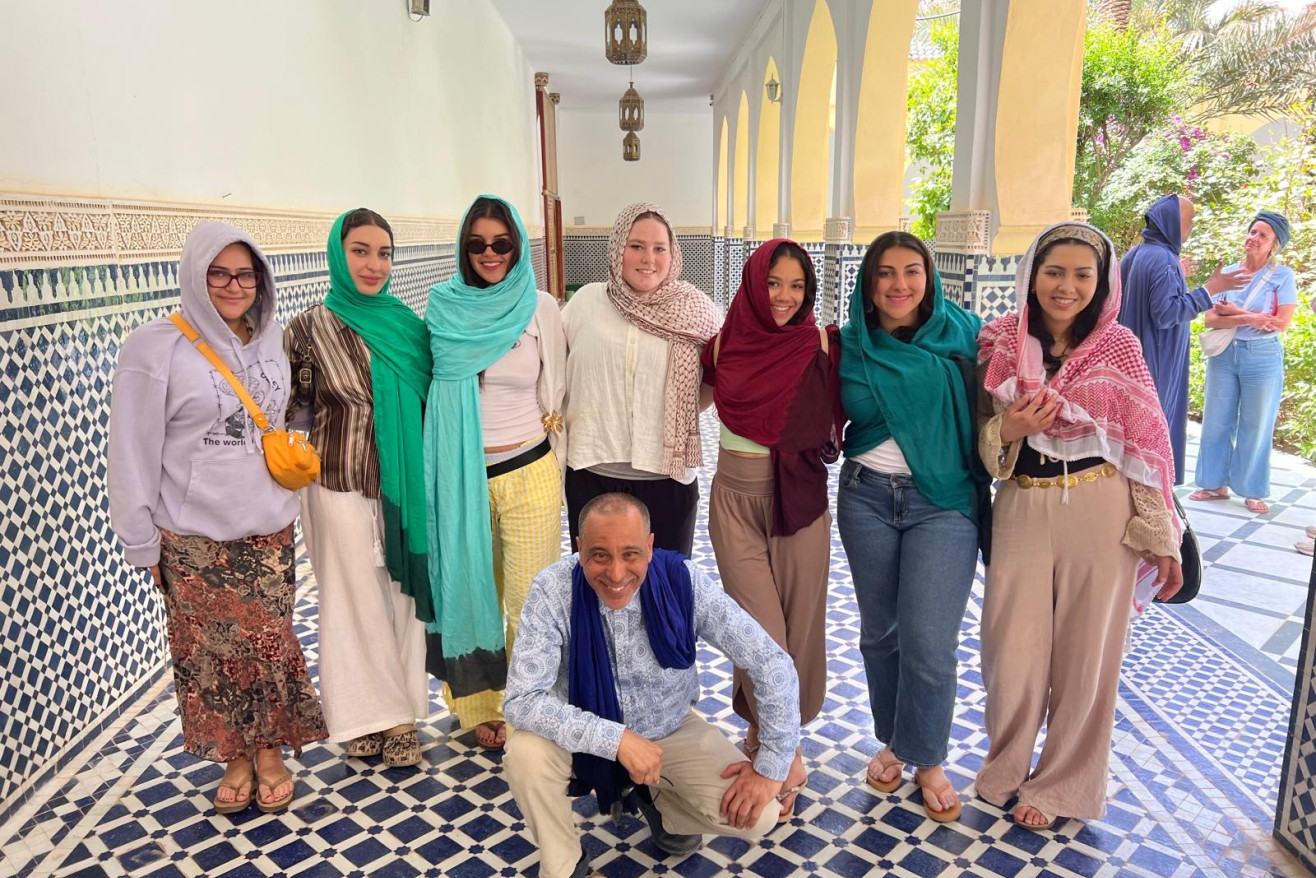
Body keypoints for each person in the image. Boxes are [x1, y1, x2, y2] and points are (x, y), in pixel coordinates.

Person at [108, 221, 327, 814]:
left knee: (268, 644)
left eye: (245, 274)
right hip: (192, 536)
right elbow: (130, 449)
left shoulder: (273, 340)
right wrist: (140, 541)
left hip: (269, 528)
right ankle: (235, 757)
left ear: (260, 280)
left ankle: (268, 751)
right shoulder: (154, 348)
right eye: (219, 273)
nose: (233, 285)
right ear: (194, 276)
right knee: (210, 653)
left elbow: (285, 415)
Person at [976, 222, 1183, 830]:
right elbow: (982, 446)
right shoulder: (999, 345)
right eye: (1053, 272)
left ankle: (1064, 784)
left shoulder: (1119, 347)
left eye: (1082, 274)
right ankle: (1006, 765)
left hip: (1102, 512)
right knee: (1010, 654)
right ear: (1032, 276)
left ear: (1102, 283)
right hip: (1022, 506)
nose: (1066, 287)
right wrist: (1008, 431)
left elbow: (1147, 447)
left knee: (1087, 656)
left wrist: (1160, 535)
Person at [503, 493, 802, 878]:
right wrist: (617, 740)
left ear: (649, 546)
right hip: (578, 738)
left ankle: (660, 802)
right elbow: (522, 700)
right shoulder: (553, 590)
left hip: (670, 729)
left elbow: (771, 662)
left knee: (761, 814)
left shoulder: (683, 580)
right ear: (579, 549)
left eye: (629, 554)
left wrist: (771, 766)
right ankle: (566, 865)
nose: (615, 573)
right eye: (599, 555)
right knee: (524, 753)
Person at [835, 231, 985, 823]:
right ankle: (896, 739)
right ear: (868, 285)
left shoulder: (965, 334)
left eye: (912, 271)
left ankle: (928, 758)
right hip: (866, 498)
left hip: (943, 502)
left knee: (929, 641)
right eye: (886, 273)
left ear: (930, 277)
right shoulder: (847, 344)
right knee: (881, 634)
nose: (900, 285)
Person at [285, 209, 432, 767]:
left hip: (403, 490)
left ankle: (400, 715)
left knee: (400, 595)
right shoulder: (307, 329)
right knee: (350, 598)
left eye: (384, 253)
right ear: (337, 255)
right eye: (361, 251)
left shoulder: (407, 326)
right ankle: (363, 717)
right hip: (337, 484)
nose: (374, 264)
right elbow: (292, 416)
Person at [701, 239, 839, 818]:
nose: (784, 297)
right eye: (774, 283)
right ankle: (788, 751)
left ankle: (769, 735)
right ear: (754, 282)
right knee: (758, 630)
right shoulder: (720, 345)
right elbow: (685, 406)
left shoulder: (820, 345)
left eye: (797, 286)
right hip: (734, 498)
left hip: (800, 501)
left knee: (800, 626)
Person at [423, 195, 567, 752]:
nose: (490, 253)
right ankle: (480, 704)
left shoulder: (540, 307)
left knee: (531, 598)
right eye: (478, 244)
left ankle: (527, 701)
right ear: (464, 249)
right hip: (462, 476)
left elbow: (555, 385)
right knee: (471, 587)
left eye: (501, 243)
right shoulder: (443, 305)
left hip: (529, 469)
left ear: (517, 247)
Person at [561, 203, 722, 555]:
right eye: (636, 246)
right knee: (598, 584)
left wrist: (686, 409)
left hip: (667, 480)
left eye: (659, 248)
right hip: (593, 474)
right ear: (618, 248)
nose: (648, 258)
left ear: (672, 253)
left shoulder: (697, 310)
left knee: (665, 588)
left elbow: (717, 372)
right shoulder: (587, 302)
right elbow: (554, 368)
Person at [1119, 193, 1251, 484]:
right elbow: (1167, 313)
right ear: (1172, 223)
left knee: (1133, 430)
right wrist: (1211, 289)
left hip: (1131, 358)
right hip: (1157, 360)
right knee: (1154, 427)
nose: (1191, 227)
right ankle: (1151, 494)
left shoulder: (1137, 254)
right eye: (1188, 221)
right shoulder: (1163, 259)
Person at [1190, 211, 1298, 515]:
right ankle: (1213, 484)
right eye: (1252, 232)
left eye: (1262, 235)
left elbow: (1281, 322)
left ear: (1273, 244)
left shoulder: (1282, 276)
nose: (1253, 238)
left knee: (1257, 422)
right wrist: (1250, 317)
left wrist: (1232, 314)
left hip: (1262, 356)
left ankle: (1251, 489)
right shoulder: (1230, 273)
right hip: (1225, 354)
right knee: (1215, 419)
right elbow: (1211, 318)